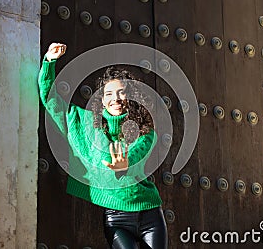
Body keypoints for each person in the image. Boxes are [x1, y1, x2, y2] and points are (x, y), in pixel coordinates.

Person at [38, 42, 168, 249]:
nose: (115, 99)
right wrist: (49, 62)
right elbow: (51, 100)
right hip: (117, 218)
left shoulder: (144, 130)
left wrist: (124, 165)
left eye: (121, 92)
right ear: (102, 99)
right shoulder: (87, 123)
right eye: (108, 94)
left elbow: (135, 155)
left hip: (150, 213)